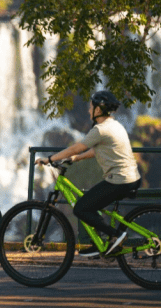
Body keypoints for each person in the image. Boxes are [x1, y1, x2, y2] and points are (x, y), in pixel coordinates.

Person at [38, 90, 141, 257]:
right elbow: (97, 150)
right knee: (93, 205)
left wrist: (50, 159)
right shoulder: (115, 125)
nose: (88, 110)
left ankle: (115, 235)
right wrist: (76, 158)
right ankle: (98, 243)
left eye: (91, 107)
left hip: (119, 180)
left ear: (98, 110)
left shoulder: (100, 130)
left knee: (81, 208)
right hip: (130, 177)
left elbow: (76, 147)